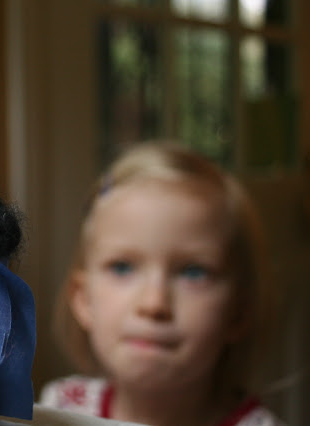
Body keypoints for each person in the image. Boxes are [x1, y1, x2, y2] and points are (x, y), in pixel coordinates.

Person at [39, 143, 283, 426]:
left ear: (239, 311)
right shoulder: (61, 409)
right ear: (83, 300)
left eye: (193, 272)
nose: (154, 303)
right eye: (122, 267)